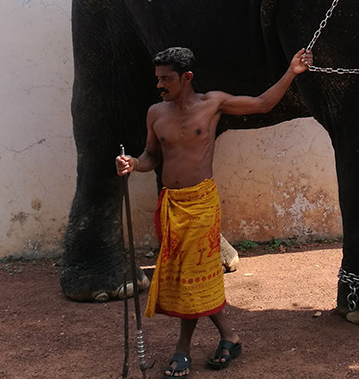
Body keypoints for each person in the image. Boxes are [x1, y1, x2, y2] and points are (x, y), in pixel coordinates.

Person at [116, 46, 312, 378]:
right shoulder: (155, 113)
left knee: (191, 277)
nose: (160, 85)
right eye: (158, 78)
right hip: (171, 204)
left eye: (166, 79)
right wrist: (133, 164)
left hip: (202, 202)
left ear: (186, 77)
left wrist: (291, 72)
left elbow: (262, 103)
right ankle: (229, 336)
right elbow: (151, 156)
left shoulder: (213, 104)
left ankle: (182, 350)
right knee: (187, 279)